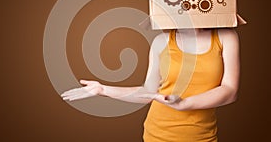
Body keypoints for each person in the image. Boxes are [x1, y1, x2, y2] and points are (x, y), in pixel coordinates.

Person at [61, 27, 240, 142]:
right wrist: (103, 89)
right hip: (158, 134)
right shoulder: (161, 41)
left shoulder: (225, 37)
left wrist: (184, 104)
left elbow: (230, 90)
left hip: (202, 135)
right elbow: (148, 92)